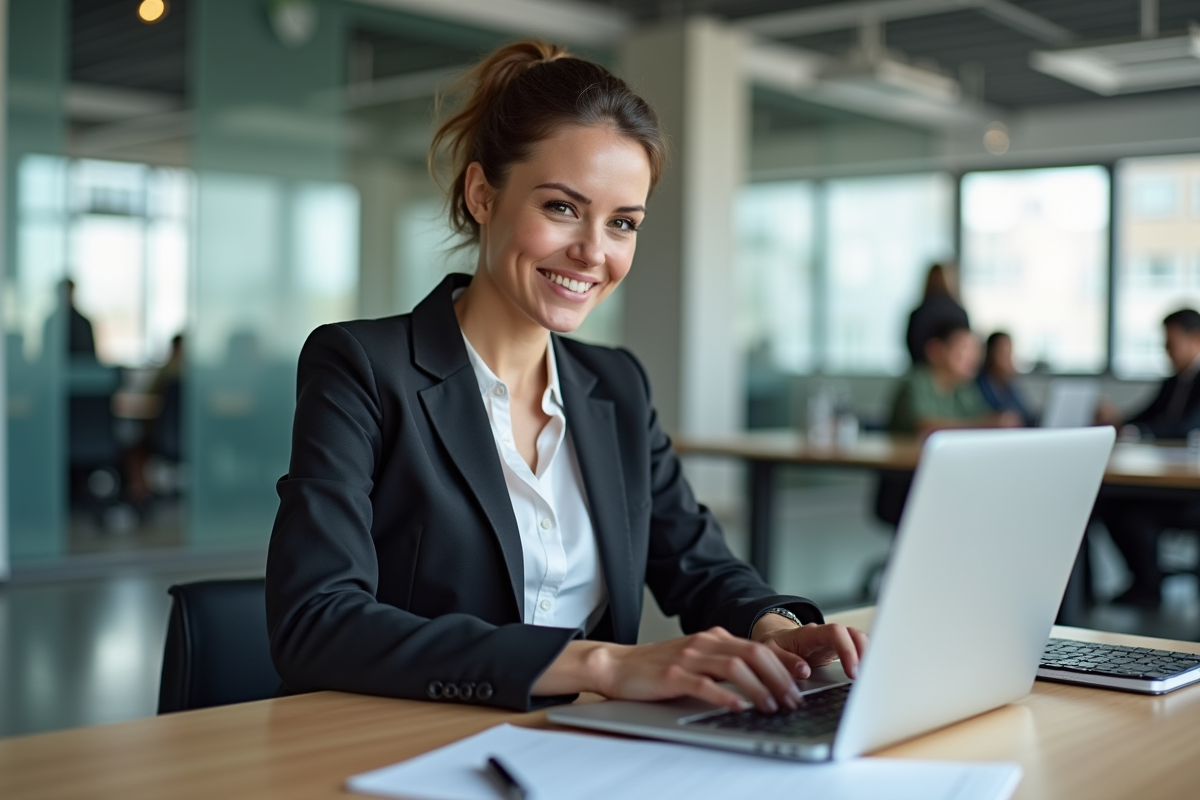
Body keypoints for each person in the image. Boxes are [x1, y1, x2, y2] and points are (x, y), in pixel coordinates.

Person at [266, 40, 866, 716]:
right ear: (482, 194)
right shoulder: (362, 367)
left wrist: (775, 630)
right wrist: (600, 664)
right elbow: (315, 620)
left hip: (579, 745)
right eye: (561, 208)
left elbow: (695, 562)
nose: (592, 252)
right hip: (402, 739)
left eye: (623, 223)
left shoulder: (616, 385)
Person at [1098, 308, 1200, 609]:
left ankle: (1148, 584)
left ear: (1195, 339)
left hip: (1189, 491)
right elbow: (1146, 415)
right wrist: (1119, 423)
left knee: (1134, 516)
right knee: (1106, 504)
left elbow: (1185, 427)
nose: (1166, 351)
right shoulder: (1172, 382)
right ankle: (1144, 580)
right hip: (1163, 481)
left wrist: (1139, 430)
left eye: (1171, 343)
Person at [889, 321, 1021, 437]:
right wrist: (986, 424)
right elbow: (926, 427)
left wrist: (1000, 420)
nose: (973, 357)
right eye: (964, 348)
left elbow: (980, 415)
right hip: (907, 456)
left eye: (976, 350)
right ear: (935, 350)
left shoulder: (963, 386)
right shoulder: (918, 382)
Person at [905, 262, 968, 366]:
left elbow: (911, 344)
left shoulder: (918, 313)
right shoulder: (959, 312)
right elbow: (966, 344)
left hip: (922, 368)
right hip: (953, 369)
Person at [975, 331, 1035, 427]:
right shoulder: (978, 384)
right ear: (990, 354)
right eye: (1004, 353)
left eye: (1010, 353)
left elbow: (1025, 415)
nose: (1009, 359)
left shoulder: (1009, 384)